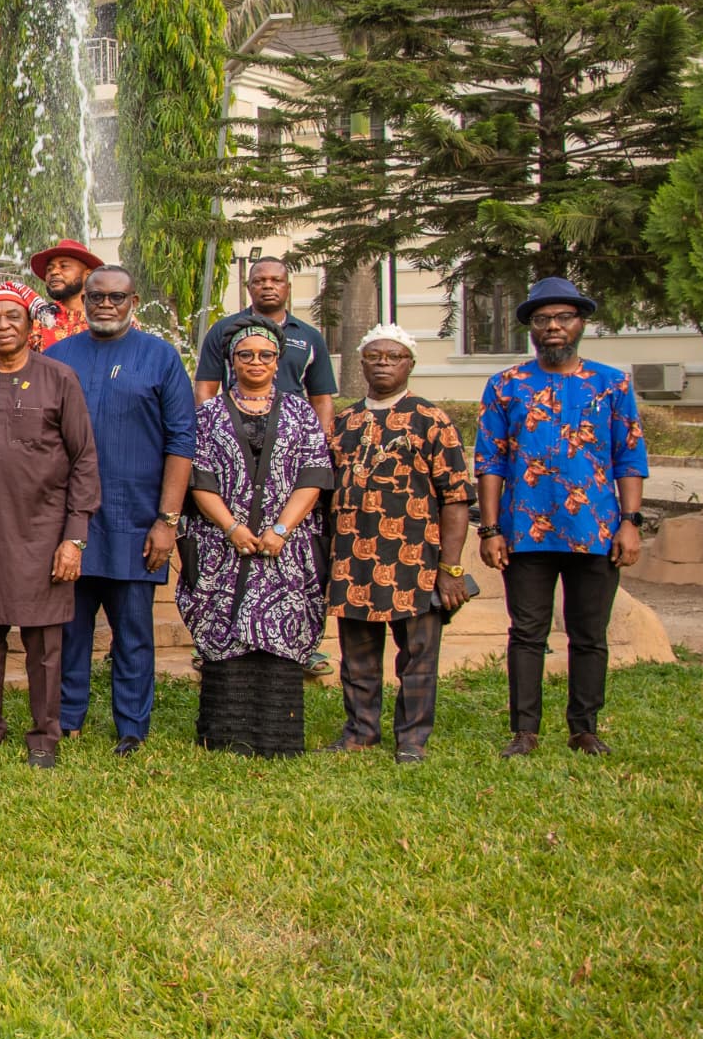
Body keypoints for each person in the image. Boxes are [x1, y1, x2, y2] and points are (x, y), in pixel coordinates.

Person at [474, 276, 647, 757]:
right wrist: (489, 530)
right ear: (531, 327)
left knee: (589, 636)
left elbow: (629, 456)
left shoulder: (612, 383)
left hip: (596, 531)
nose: (553, 327)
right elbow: (490, 460)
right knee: (526, 635)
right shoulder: (507, 385)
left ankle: (584, 728)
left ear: (580, 324)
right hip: (525, 533)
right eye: (543, 319)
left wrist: (630, 522)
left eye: (563, 318)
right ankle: (524, 731)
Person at [0, 283, 100, 767]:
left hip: (44, 534)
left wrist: (73, 538)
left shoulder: (59, 378)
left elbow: (84, 461)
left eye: (13, 318)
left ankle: (44, 737)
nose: (3, 326)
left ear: (32, 328)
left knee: (45, 648)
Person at [43, 265, 194, 753]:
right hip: (71, 522)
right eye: (97, 296)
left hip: (136, 520)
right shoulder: (59, 356)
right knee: (70, 630)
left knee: (133, 633)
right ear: (83, 300)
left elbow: (182, 442)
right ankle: (68, 718)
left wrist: (167, 521)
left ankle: (132, 726)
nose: (106, 304)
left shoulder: (160, 358)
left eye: (117, 297)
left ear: (134, 301)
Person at [178, 318, 334, 758]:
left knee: (280, 633)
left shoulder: (301, 412)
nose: (256, 362)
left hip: (286, 547)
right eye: (245, 354)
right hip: (221, 546)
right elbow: (199, 477)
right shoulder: (207, 415)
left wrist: (282, 528)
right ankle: (225, 736)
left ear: (277, 360)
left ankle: (276, 737)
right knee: (225, 631)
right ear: (231, 361)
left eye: (265, 355)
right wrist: (231, 527)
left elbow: (314, 473)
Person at [325, 323, 471, 762]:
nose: (384, 363)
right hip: (353, 559)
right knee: (357, 658)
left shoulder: (431, 420)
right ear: (361, 362)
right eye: (374, 356)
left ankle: (412, 740)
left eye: (394, 357)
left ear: (410, 364)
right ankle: (361, 730)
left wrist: (450, 567)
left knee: (418, 658)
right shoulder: (344, 422)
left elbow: (456, 497)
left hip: (415, 559)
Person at [195, 255, 337, 432]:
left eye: (276, 280)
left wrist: (321, 443)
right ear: (249, 288)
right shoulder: (223, 331)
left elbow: (321, 399)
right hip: (235, 430)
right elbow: (205, 389)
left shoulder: (310, 337)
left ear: (288, 287)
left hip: (293, 434)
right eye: (259, 281)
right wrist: (206, 433)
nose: (268, 285)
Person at [26, 238, 98, 351]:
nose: (53, 272)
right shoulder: (37, 322)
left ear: (88, 275)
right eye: (49, 269)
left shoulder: (108, 318)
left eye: (64, 266)